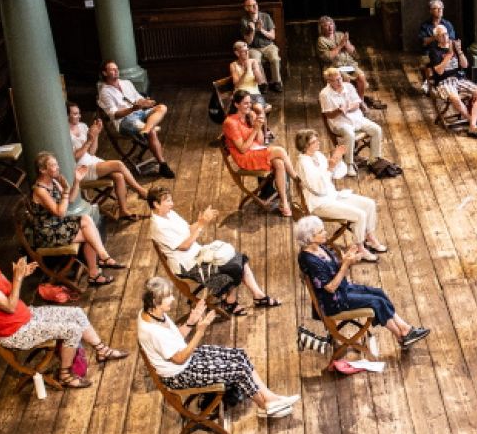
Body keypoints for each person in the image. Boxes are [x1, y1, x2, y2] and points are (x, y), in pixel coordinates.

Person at [0, 236, 126, 389]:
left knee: (76, 313)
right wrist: (17, 279)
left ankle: (102, 350)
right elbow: (9, 307)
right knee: (72, 329)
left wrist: (21, 275)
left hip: (26, 315)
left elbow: (8, 292)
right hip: (16, 331)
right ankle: (65, 376)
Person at [137, 277, 298, 417]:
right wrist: (200, 331)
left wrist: (191, 321)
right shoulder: (152, 331)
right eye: (167, 297)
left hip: (187, 359)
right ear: (154, 302)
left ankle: (269, 398)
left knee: (239, 354)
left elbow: (174, 338)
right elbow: (179, 359)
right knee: (239, 369)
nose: (172, 299)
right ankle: (264, 406)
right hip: (179, 374)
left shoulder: (154, 313)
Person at [296, 216, 429, 350]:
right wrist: (346, 265)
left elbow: (333, 269)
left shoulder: (320, 248)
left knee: (379, 293)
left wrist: (347, 258)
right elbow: (330, 288)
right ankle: (402, 334)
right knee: (376, 301)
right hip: (333, 301)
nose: (325, 233)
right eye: (321, 232)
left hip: (343, 289)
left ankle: (404, 331)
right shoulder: (309, 259)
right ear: (310, 238)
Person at [148, 186, 282, 312]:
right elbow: (184, 246)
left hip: (197, 253)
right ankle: (230, 302)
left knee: (238, 258)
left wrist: (201, 221)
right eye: (168, 201)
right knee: (232, 267)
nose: (172, 203)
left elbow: (188, 229)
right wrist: (201, 224)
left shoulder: (169, 213)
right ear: (156, 204)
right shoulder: (158, 226)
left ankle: (258, 296)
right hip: (187, 266)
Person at [27, 151, 123, 286]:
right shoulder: (40, 190)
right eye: (53, 165)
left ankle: (100, 262)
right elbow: (60, 212)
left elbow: (70, 199)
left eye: (56, 164)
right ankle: (98, 268)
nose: (58, 167)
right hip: (47, 232)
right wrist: (65, 190)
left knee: (86, 220)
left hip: (58, 225)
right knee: (89, 233)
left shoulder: (53, 181)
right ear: (43, 170)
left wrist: (77, 181)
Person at [294, 130, 389, 257]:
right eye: (314, 141)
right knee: (360, 215)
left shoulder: (318, 155)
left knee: (369, 204)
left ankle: (369, 237)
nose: (318, 142)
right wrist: (330, 168)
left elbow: (338, 174)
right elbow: (317, 188)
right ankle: (359, 247)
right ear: (305, 146)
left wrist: (337, 160)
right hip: (319, 204)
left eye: (317, 139)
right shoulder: (303, 163)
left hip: (332, 196)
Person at [68, 102, 149, 221]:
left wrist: (96, 135)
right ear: (66, 116)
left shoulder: (83, 126)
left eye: (79, 113)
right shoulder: (66, 134)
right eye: (75, 114)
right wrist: (89, 140)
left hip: (92, 161)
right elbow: (73, 158)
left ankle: (123, 211)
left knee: (118, 176)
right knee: (118, 164)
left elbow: (92, 152)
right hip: (81, 169)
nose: (79, 116)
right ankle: (140, 191)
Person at [97, 61, 175, 179]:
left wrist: (146, 102)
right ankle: (163, 164)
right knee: (152, 132)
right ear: (104, 73)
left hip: (140, 113)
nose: (116, 71)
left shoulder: (126, 83)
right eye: (112, 69)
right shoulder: (104, 92)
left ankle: (146, 128)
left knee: (162, 107)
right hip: (125, 120)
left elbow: (138, 98)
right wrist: (132, 109)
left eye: (116, 68)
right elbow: (114, 115)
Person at [223, 91, 293, 215]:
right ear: (236, 104)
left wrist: (259, 126)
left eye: (250, 102)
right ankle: (296, 178)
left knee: (279, 163)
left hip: (255, 150)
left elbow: (260, 141)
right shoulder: (230, 123)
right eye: (245, 103)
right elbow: (242, 149)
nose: (249, 106)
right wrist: (255, 129)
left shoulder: (248, 116)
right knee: (280, 151)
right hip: (244, 157)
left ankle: (284, 202)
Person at [427, 24, 477, 139]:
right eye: (441, 35)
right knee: (455, 98)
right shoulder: (434, 51)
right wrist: (449, 56)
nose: (445, 37)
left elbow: (465, 65)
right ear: (436, 38)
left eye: (446, 34)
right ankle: (473, 124)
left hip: (458, 79)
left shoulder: (454, 45)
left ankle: (472, 125)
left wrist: (459, 51)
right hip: (444, 81)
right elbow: (439, 72)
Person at [319, 66, 385, 171]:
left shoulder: (348, 86)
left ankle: (374, 160)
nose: (339, 82)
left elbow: (357, 103)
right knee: (350, 134)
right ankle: (349, 164)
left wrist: (347, 108)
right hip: (339, 123)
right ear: (329, 81)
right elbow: (328, 115)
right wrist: (339, 111)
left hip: (356, 118)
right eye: (335, 80)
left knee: (377, 129)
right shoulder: (324, 94)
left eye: (340, 78)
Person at [316, 16, 384, 109]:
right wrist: (340, 45)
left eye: (331, 24)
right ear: (321, 28)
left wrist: (346, 43)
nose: (330, 27)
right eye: (326, 26)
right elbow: (328, 57)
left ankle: (360, 101)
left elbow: (352, 51)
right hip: (335, 67)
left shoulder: (340, 35)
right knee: (346, 79)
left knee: (361, 77)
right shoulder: (321, 40)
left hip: (348, 64)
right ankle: (348, 104)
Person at [237, 0, 282, 92]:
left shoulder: (266, 17)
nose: (254, 7)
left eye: (255, 4)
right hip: (254, 47)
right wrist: (252, 30)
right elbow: (248, 42)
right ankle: (263, 83)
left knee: (275, 58)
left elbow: (272, 36)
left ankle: (276, 82)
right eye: (251, 6)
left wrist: (261, 30)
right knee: (256, 61)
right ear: (246, 8)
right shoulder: (244, 20)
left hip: (268, 45)